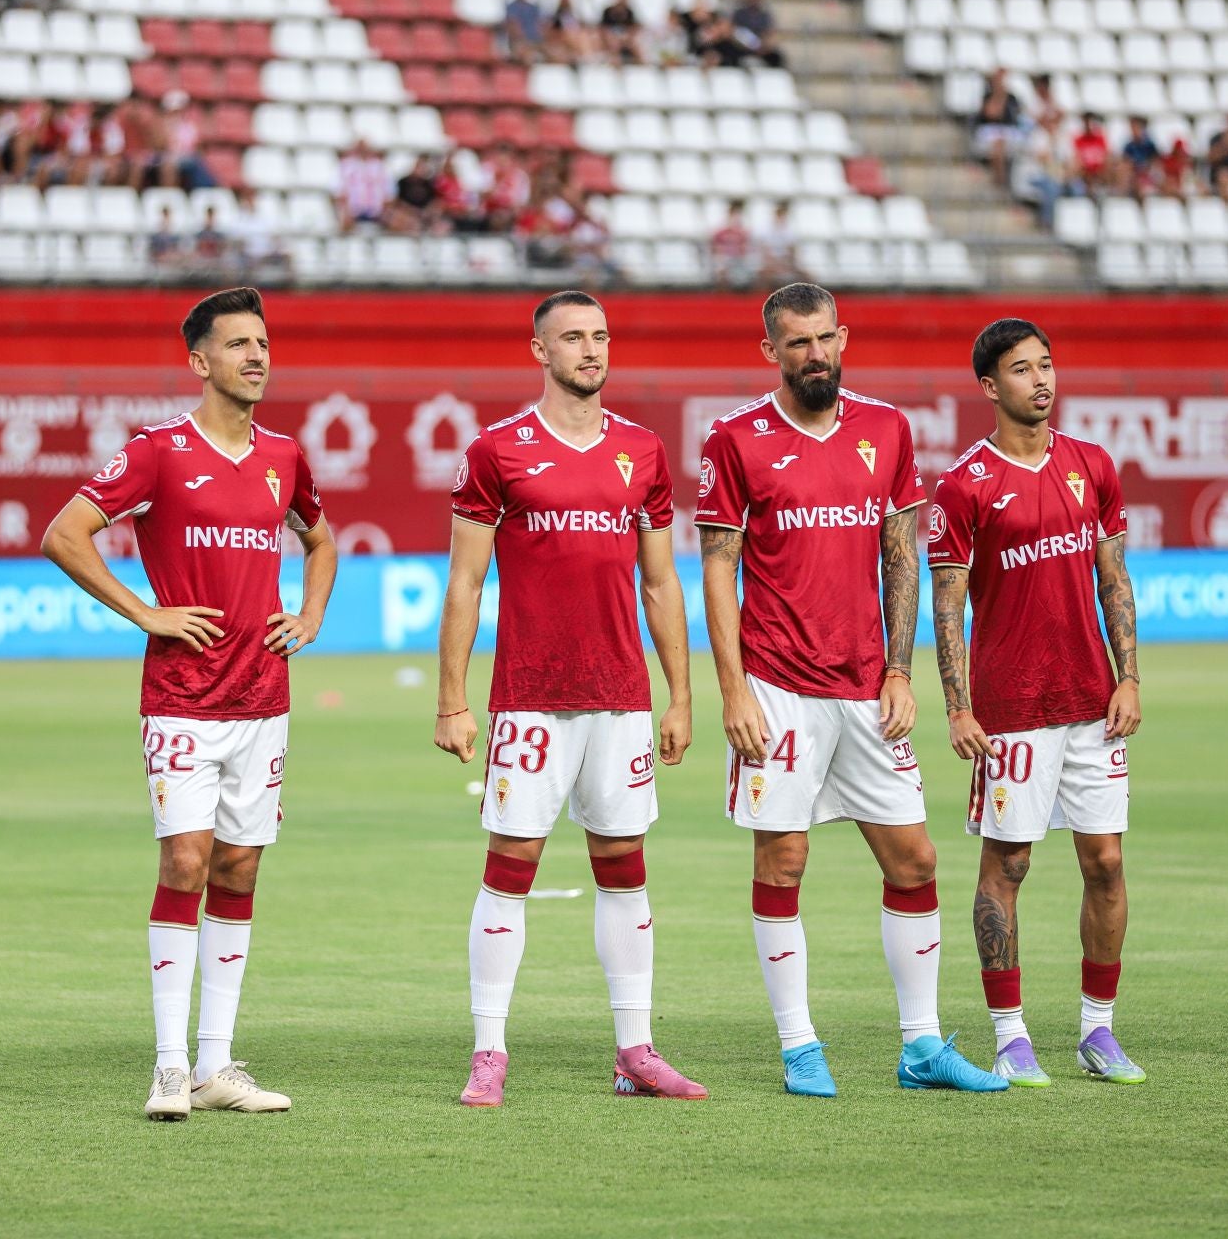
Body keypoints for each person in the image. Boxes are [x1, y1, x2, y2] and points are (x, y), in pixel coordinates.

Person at [695, 283, 1008, 1098]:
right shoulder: (736, 439)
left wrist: (900, 672)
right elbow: (718, 567)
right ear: (772, 353)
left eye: (825, 339)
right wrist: (733, 690)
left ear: (844, 338)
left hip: (867, 687)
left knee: (915, 859)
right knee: (785, 856)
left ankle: (922, 1046)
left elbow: (900, 555)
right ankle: (800, 1047)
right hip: (778, 685)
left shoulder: (886, 429)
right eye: (797, 344)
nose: (815, 356)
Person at [41, 288, 337, 1119]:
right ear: (199, 360)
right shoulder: (159, 452)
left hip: (263, 699)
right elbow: (65, 532)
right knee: (185, 862)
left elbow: (322, 539)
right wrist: (146, 612)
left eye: (263, 343)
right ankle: (170, 1066)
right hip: (180, 699)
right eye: (238, 344)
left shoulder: (285, 457)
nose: (256, 356)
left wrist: (309, 615)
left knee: (241, 866)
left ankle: (217, 1066)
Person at [435, 291, 703, 1108]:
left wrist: (679, 696)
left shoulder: (642, 451)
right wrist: (453, 700)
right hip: (529, 700)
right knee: (510, 870)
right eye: (574, 338)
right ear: (539, 351)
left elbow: (661, 584)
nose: (591, 350)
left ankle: (636, 1051)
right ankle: (489, 1052)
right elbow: (466, 582)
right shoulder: (498, 451)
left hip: (621, 697)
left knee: (625, 871)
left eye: (600, 337)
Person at [928, 318, 1144, 1087]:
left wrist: (1130, 677)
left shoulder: (1092, 465)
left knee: (1107, 863)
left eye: (1047, 365)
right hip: (1012, 710)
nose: (1042, 380)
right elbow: (947, 606)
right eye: (1022, 370)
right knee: (1008, 865)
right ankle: (1011, 1036)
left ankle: (1098, 1031)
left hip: (1094, 703)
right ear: (991, 387)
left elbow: (1112, 578)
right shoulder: (965, 486)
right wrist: (958, 707)